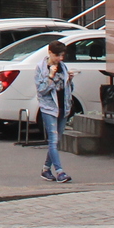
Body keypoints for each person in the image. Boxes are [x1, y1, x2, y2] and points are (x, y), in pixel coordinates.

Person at [36, 39, 74, 184]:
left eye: (62, 55)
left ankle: (46, 169)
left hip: (63, 107)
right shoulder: (41, 67)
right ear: (50, 53)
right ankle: (60, 172)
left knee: (56, 141)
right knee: (52, 140)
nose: (60, 58)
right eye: (57, 55)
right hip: (49, 108)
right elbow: (41, 90)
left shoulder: (63, 66)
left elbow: (68, 89)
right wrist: (50, 77)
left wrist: (69, 80)